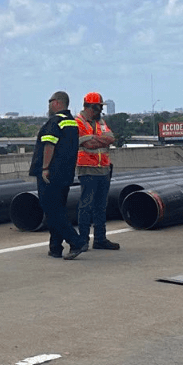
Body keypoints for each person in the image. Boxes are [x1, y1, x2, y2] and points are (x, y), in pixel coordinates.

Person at [28, 91, 88, 259]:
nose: (48, 104)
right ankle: (55, 247)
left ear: (57, 103)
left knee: (51, 210)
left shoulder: (55, 122)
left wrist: (45, 167)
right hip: (65, 173)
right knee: (58, 209)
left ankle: (76, 242)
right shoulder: (72, 123)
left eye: (50, 101)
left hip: (51, 174)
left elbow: (49, 146)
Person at [75, 92, 119, 250]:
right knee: (86, 206)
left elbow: (111, 138)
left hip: (104, 168)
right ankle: (83, 240)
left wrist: (94, 139)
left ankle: (100, 239)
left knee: (101, 206)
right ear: (91, 107)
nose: (101, 110)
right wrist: (99, 141)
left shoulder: (100, 122)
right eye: (99, 107)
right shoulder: (78, 122)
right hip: (87, 168)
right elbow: (87, 144)